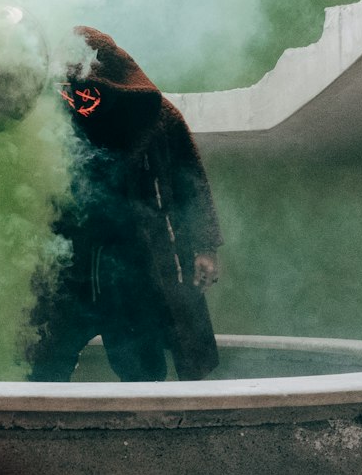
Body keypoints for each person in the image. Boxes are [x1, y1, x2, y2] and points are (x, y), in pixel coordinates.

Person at [28, 27, 222, 382]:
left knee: (143, 368)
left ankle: (153, 430)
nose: (78, 95)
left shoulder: (158, 118)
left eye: (86, 85)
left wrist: (205, 246)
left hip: (135, 261)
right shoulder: (50, 116)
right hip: (69, 261)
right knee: (44, 363)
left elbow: (190, 181)